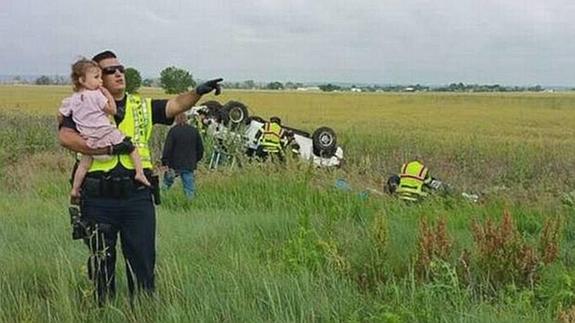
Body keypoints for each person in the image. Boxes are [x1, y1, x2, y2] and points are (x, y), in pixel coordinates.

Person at [58, 50, 222, 304]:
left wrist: (198, 91)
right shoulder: (82, 103)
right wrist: (108, 149)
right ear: (96, 77)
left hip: (137, 196)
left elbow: (176, 104)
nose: (118, 73)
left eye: (120, 68)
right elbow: (66, 137)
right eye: (109, 70)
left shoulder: (141, 105)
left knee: (143, 262)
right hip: (98, 197)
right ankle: (103, 311)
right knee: (101, 263)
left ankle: (142, 311)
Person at [58, 58, 150, 199]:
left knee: (84, 164)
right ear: (82, 80)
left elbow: (61, 115)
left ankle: (75, 189)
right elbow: (112, 110)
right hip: (105, 135)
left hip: (88, 140)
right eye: (96, 77)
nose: (100, 81)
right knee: (131, 147)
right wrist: (107, 94)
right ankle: (140, 173)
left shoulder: (72, 100)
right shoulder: (96, 96)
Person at [161, 112, 204, 198]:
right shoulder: (194, 131)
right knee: (189, 188)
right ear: (186, 119)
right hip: (189, 164)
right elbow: (200, 149)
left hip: (174, 164)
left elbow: (167, 148)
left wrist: (165, 162)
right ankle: (189, 205)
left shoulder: (173, 131)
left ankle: (161, 201)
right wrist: (195, 160)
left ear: (176, 119)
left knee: (166, 184)